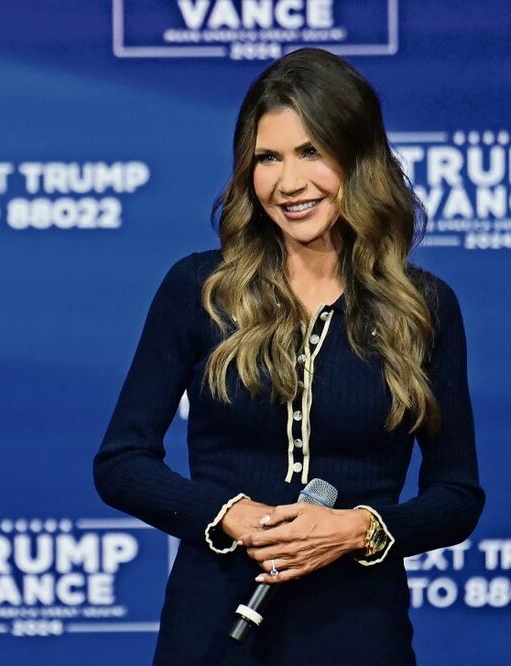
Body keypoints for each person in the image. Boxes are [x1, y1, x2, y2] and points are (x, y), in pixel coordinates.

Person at [93, 48, 484, 665]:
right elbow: (120, 463)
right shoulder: (201, 289)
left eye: (310, 153)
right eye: (267, 158)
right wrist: (228, 515)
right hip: (211, 628)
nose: (288, 182)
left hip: (358, 630)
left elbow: (457, 496)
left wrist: (361, 528)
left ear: (358, 161)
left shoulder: (424, 306)